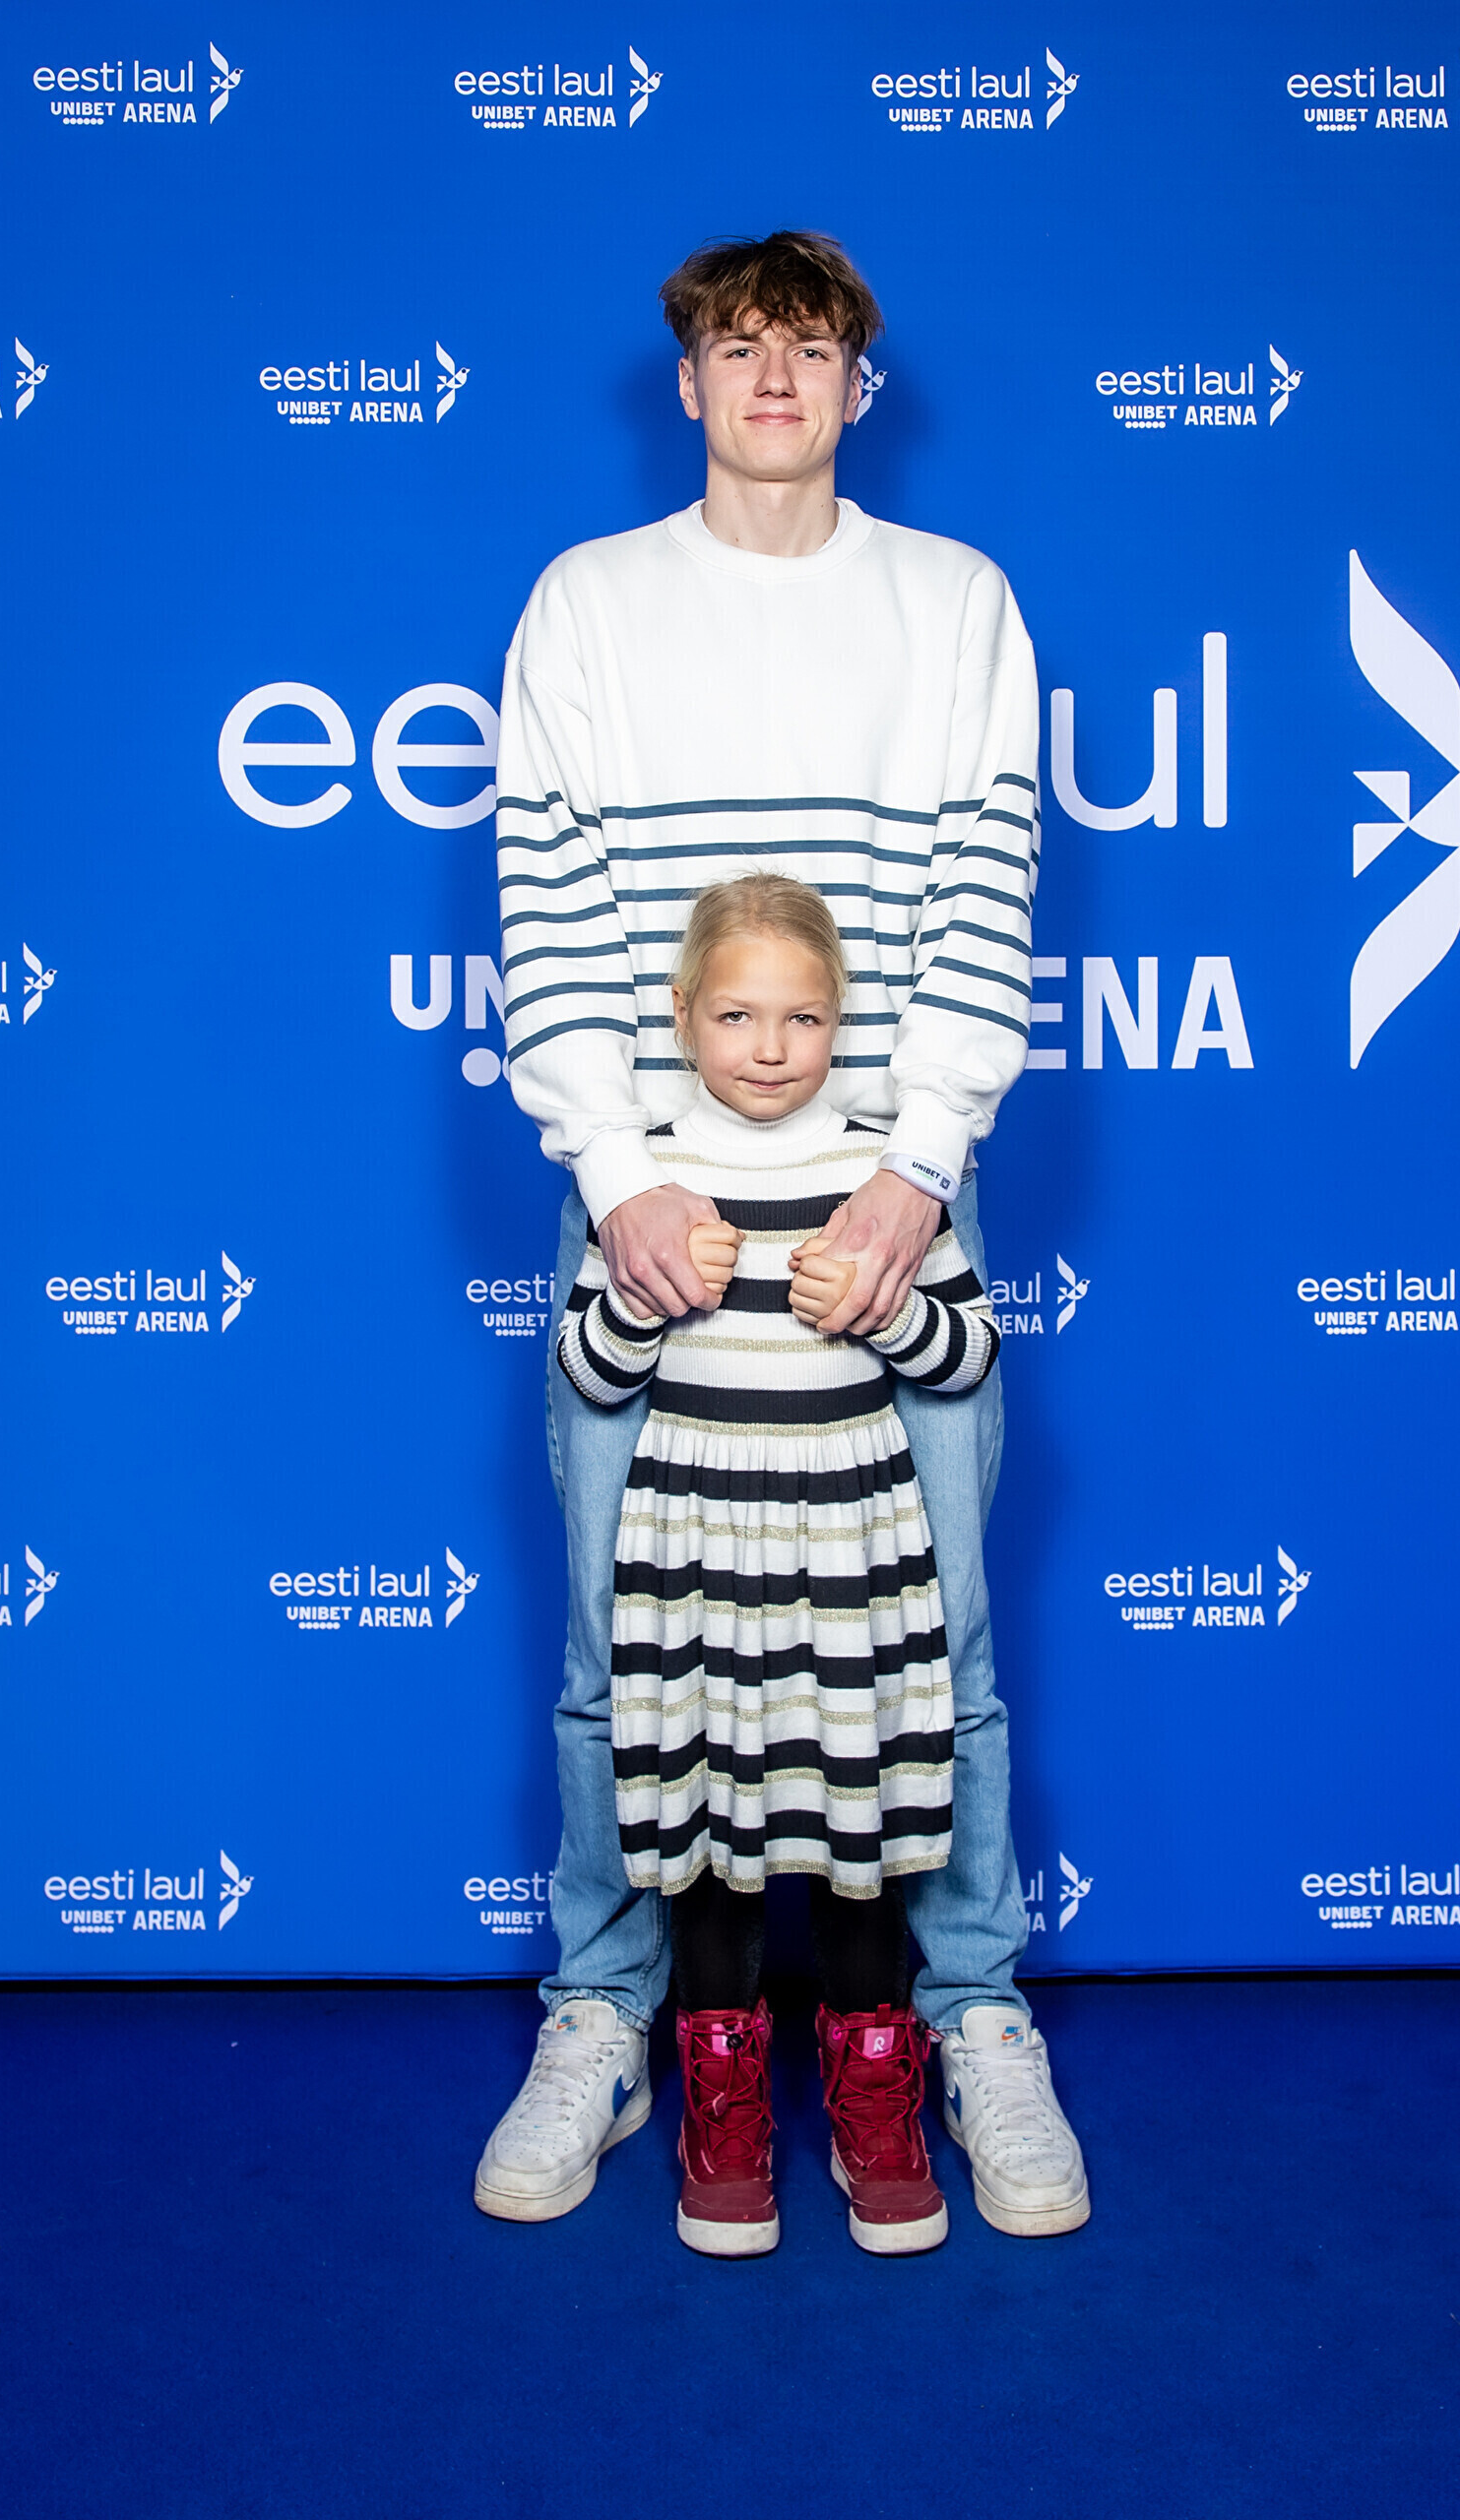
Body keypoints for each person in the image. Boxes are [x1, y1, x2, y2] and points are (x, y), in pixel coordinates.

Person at [475, 229, 1088, 2240]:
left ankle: (967, 2012)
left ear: (855, 385)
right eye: (736, 346)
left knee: (937, 1647)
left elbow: (987, 889)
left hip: (892, 1201)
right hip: (651, 1201)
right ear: (685, 382)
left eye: (808, 348)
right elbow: (549, 907)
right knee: (622, 1647)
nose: (769, 377)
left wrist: (916, 1167)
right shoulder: (588, 602)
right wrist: (615, 1173)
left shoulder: (954, 602)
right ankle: (608, 2006)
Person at [557, 874, 997, 2255]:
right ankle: (724, 2097)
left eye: (802, 1018)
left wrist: (887, 1312)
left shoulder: (882, 1178)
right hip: (693, 1559)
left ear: (841, 1023)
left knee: (857, 1821)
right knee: (709, 1826)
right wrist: (645, 1300)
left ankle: (877, 2092)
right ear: (683, 1016)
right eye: (737, 1015)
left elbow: (969, 1352)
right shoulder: (643, 1185)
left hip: (851, 1551)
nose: (769, 1047)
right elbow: (589, 1372)